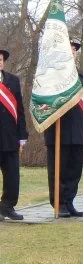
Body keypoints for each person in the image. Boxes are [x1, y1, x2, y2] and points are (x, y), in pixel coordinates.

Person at [44, 42, 83, 217]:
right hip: (59, 130)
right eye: (69, 49)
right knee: (59, 169)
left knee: (74, 169)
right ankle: (59, 203)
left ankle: (70, 201)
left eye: (74, 50)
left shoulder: (81, 75)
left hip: (78, 129)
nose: (73, 52)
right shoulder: (51, 73)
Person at [0, 48, 28, 221]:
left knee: (12, 175)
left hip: (9, 136)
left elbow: (20, 109)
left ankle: (7, 206)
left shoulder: (13, 80)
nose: (0, 62)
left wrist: (22, 134)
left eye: (1, 59)